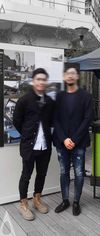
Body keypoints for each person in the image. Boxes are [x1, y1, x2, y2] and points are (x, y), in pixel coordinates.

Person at [13, 68, 54, 221]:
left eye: (44, 79)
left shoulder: (49, 101)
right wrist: (26, 134)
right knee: (26, 175)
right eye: (39, 79)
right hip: (29, 146)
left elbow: (52, 120)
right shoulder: (24, 100)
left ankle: (37, 199)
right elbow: (17, 120)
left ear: (46, 82)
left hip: (45, 146)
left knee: (41, 174)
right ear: (33, 81)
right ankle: (23, 204)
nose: (41, 82)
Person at [53, 64, 93, 216]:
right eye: (67, 73)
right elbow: (55, 120)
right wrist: (64, 139)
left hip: (79, 142)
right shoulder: (59, 97)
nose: (70, 76)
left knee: (79, 173)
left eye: (73, 73)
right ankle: (65, 200)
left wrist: (74, 140)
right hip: (61, 142)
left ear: (77, 76)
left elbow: (87, 119)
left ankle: (76, 201)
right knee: (64, 172)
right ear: (64, 77)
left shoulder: (86, 96)